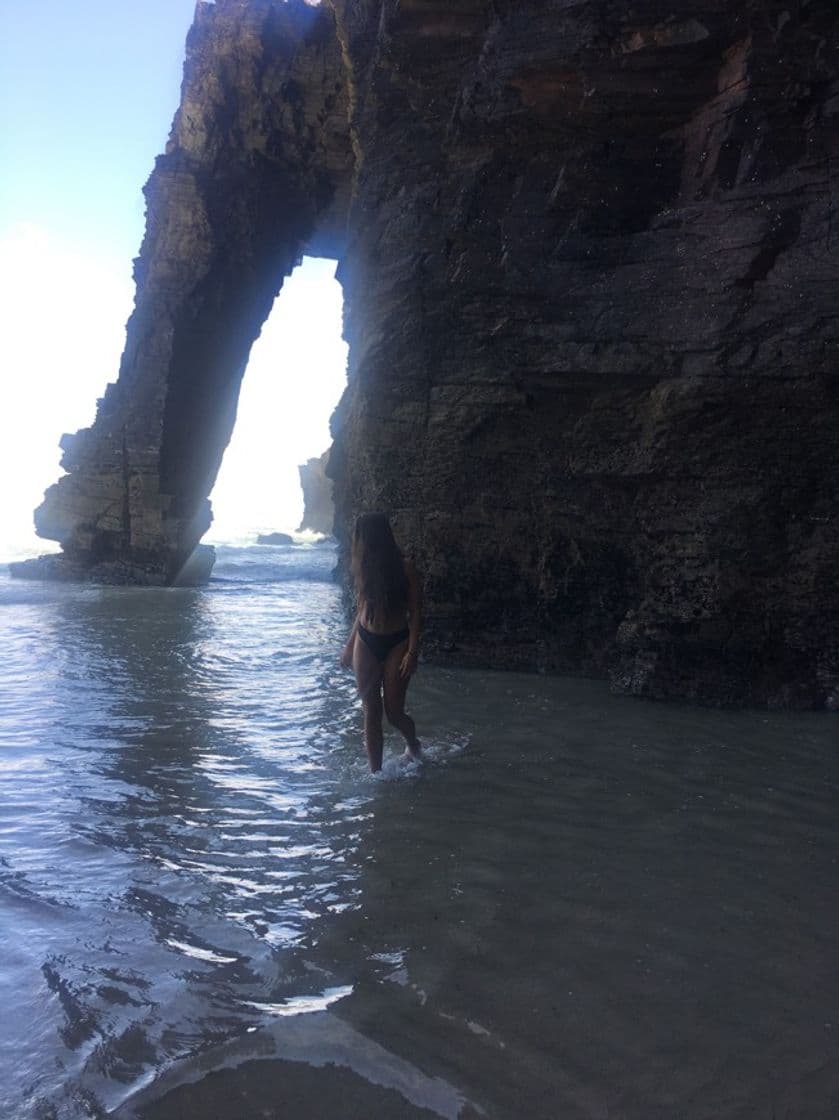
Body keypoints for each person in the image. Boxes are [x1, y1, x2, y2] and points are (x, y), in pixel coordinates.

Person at [340, 513, 422, 772]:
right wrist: (349, 645)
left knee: (394, 712)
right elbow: (362, 608)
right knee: (370, 711)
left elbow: (416, 611)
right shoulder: (360, 566)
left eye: (358, 535)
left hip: (397, 641)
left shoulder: (404, 567)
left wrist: (412, 651)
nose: (355, 540)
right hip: (366, 639)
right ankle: (376, 773)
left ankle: (414, 745)